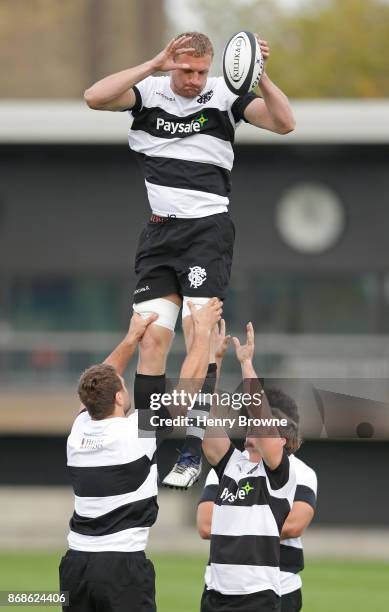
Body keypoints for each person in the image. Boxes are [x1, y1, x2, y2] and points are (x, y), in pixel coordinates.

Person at [83, 31, 295, 488]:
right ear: (172, 63)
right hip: (159, 233)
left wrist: (261, 76)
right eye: (187, 70)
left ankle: (190, 449)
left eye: (202, 70)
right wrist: (154, 63)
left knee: (200, 335)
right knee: (149, 340)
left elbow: (284, 123)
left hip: (207, 233)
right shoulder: (149, 90)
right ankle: (146, 444)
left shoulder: (224, 94)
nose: (197, 79)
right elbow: (94, 97)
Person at [59, 298, 222, 612]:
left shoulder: (78, 433)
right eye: (122, 384)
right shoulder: (137, 432)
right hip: (120, 569)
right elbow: (187, 391)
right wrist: (201, 333)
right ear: (120, 396)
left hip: (74, 566)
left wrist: (130, 339)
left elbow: (94, 385)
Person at [200, 321, 297, 611]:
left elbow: (263, 421)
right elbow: (205, 421)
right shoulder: (231, 464)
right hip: (215, 594)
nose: (254, 425)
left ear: (282, 442)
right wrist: (213, 361)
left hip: (256, 598)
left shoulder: (280, 476)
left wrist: (246, 364)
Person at [198, 391, 318, 612]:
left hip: (280, 583)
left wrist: (237, 521)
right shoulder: (226, 467)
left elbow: (294, 525)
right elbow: (206, 526)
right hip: (219, 584)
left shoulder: (301, 472)